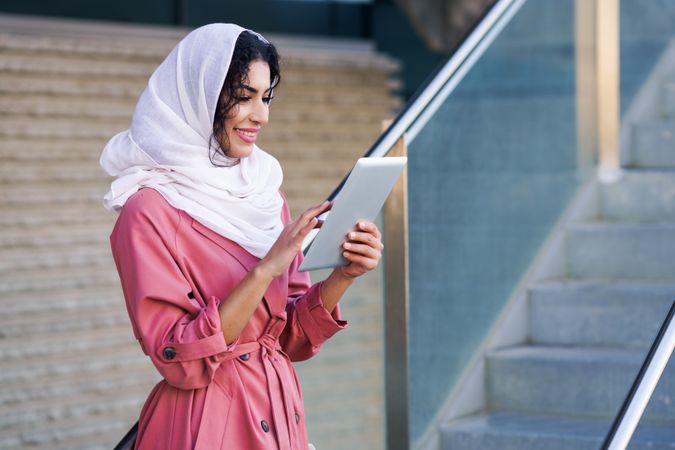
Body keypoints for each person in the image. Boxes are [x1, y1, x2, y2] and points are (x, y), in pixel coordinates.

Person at [100, 23, 383, 450]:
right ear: (201, 96)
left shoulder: (263, 193)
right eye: (243, 97)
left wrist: (344, 275)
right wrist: (266, 270)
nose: (262, 115)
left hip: (279, 411)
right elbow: (177, 359)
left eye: (265, 98)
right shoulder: (148, 211)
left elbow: (289, 338)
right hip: (208, 425)